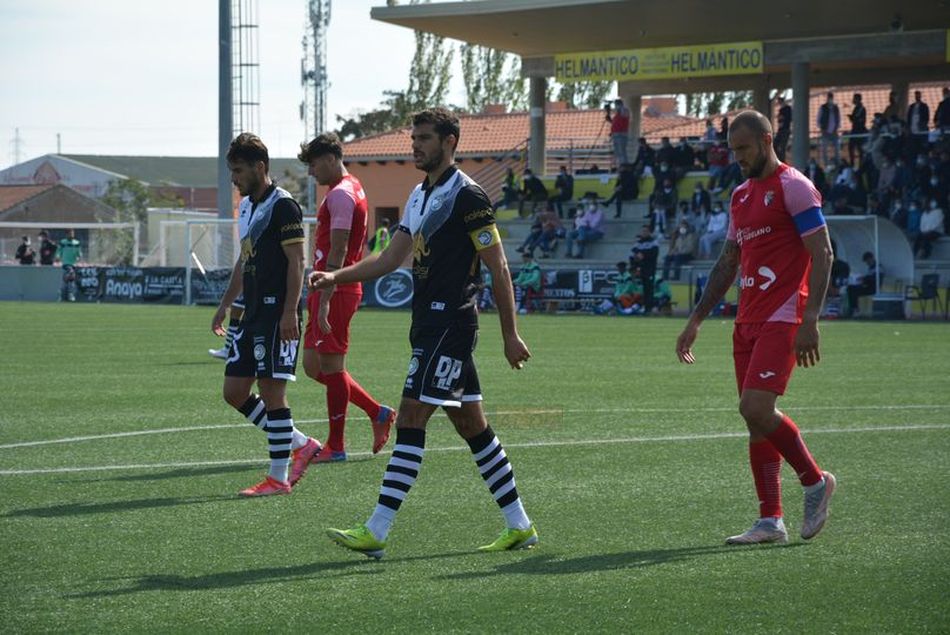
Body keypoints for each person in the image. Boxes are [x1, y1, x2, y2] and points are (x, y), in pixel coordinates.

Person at [310, 107, 537, 558]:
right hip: (427, 323)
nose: (416, 144)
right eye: (415, 137)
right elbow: (389, 259)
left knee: (411, 417)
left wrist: (510, 334)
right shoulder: (418, 195)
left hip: (451, 322)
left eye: (426, 138)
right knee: (472, 425)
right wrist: (336, 277)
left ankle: (377, 529)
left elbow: (499, 266)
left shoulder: (469, 197)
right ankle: (520, 525)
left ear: (450, 142)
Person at [676, 110, 837, 546]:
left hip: (783, 317)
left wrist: (811, 320)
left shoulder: (795, 188)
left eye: (744, 148)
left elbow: (823, 254)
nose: (738, 158)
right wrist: (695, 320)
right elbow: (728, 262)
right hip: (746, 320)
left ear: (767, 141)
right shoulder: (741, 196)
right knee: (755, 423)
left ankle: (814, 481)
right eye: (733, 150)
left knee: (755, 408)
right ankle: (771, 521)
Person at [211, 132, 316, 497]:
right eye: (231, 172)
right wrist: (226, 304)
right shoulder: (248, 206)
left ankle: (278, 477)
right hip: (251, 312)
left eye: (238, 171)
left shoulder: (284, 206)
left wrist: (290, 311)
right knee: (234, 391)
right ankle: (301, 443)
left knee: (273, 391)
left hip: (276, 313)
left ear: (260, 167)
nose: (234, 179)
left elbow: (297, 262)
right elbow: (245, 258)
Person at [298, 132, 396, 466]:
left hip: (335, 288)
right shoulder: (350, 186)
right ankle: (377, 411)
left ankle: (336, 446)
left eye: (313, 165)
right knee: (313, 365)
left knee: (331, 366)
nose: (312, 173)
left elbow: (339, 248)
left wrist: (326, 296)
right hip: (327, 286)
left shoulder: (341, 194)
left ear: (329, 158)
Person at [564, 194, 604, 258]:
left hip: (597, 232)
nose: (591, 206)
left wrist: (585, 224)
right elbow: (582, 223)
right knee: (569, 233)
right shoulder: (587, 212)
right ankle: (568, 252)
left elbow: (593, 225)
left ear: (596, 206)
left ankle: (580, 254)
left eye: (593, 204)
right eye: (590, 204)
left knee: (582, 233)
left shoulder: (600, 213)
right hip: (583, 230)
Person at [846, 251, 880, 317]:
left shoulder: (878, 268)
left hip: (874, 288)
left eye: (868, 261)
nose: (867, 263)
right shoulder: (871, 268)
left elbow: (874, 279)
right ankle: (853, 308)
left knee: (854, 291)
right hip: (868, 286)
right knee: (851, 288)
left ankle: (855, 309)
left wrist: (864, 279)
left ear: (871, 259)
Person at [817, 92, 841, 168]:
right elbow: (819, 118)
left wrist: (837, 127)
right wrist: (821, 128)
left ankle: (838, 164)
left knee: (837, 148)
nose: (830, 99)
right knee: (824, 149)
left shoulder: (836, 107)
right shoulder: (823, 107)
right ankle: (826, 164)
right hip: (825, 132)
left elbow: (839, 118)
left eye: (831, 97)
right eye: (829, 97)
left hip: (834, 131)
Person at [58, 229, 82, 302]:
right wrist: (57, 256)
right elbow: (59, 251)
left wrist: (79, 256)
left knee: (68, 280)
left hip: (73, 264)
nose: (72, 235)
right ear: (67, 234)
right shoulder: (63, 242)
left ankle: (65, 296)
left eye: (73, 234)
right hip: (65, 264)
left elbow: (79, 253)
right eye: (70, 234)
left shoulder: (77, 243)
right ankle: (68, 295)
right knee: (69, 278)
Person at [607, 98, 630, 167]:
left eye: (616, 105)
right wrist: (610, 120)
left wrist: (618, 104)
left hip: (621, 134)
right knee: (617, 152)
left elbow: (624, 114)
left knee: (622, 151)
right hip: (615, 134)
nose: (616, 106)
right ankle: (620, 165)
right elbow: (616, 123)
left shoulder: (625, 111)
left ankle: (624, 165)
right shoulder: (617, 115)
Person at [847, 93, 867, 167]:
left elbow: (857, 119)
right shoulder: (856, 108)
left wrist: (852, 118)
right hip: (855, 130)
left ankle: (861, 165)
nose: (853, 100)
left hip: (859, 131)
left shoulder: (861, 108)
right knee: (851, 148)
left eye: (854, 98)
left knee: (859, 149)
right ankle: (852, 164)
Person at [774, 96, 791, 162]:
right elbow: (779, 120)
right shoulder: (781, 110)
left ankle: (782, 160)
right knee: (775, 145)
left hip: (785, 130)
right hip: (781, 130)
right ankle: (779, 159)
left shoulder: (787, 108)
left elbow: (787, 119)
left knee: (782, 147)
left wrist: (781, 118)